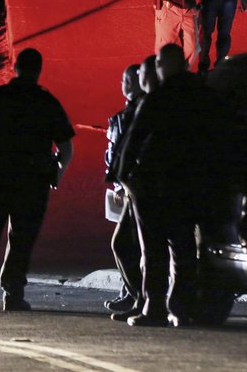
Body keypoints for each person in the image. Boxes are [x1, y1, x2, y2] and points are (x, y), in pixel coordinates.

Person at [0, 48, 75, 311]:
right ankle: (13, 295)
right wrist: (57, 173)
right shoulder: (46, 102)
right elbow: (66, 148)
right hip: (32, 183)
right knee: (21, 240)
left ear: (15, 67)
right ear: (38, 70)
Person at [117, 44, 225, 327]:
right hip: (191, 182)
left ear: (165, 66)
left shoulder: (159, 97)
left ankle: (153, 308)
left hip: (155, 182)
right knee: (183, 246)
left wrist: (124, 176)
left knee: (153, 248)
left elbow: (134, 140)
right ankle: (180, 307)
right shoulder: (204, 95)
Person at [103, 64, 145, 314]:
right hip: (127, 188)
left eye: (127, 80)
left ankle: (140, 297)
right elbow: (114, 153)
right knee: (130, 245)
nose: (124, 85)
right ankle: (132, 294)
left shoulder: (140, 112)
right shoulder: (123, 115)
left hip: (137, 190)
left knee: (128, 244)